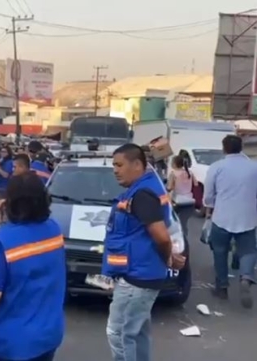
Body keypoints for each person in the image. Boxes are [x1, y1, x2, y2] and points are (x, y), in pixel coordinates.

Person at [103, 143, 185, 361]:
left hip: (137, 278)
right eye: (113, 165)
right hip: (142, 274)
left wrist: (167, 257)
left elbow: (161, 236)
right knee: (137, 332)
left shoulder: (142, 195)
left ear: (137, 164)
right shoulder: (145, 188)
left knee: (119, 333)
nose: (115, 170)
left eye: (119, 165)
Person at [0, 172, 65, 361]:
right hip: (48, 336)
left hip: (11, 345)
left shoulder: (2, 243)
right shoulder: (54, 230)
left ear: (10, 202)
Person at [204, 135, 257, 308]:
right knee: (248, 250)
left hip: (222, 217)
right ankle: (246, 277)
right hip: (248, 217)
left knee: (220, 251)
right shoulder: (253, 167)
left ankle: (222, 287)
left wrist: (209, 207)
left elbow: (208, 195)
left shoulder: (217, 167)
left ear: (224, 148)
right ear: (241, 147)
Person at [166, 154, 196, 239]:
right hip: (189, 201)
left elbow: (170, 187)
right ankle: (184, 239)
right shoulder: (189, 172)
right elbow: (196, 184)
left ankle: (178, 242)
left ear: (174, 164)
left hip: (177, 201)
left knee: (173, 222)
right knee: (184, 223)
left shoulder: (173, 173)